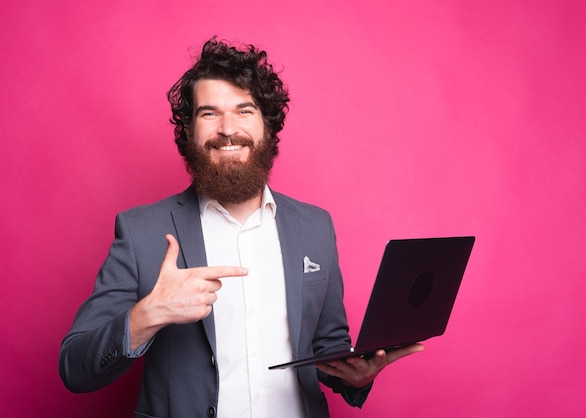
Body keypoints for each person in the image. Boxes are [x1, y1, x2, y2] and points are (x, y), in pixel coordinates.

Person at [59, 37, 423, 418]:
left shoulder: (316, 226)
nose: (228, 129)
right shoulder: (141, 232)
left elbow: (328, 345)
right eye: (209, 114)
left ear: (268, 125)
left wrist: (356, 377)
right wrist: (148, 315)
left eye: (244, 111)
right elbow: (74, 368)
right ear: (189, 130)